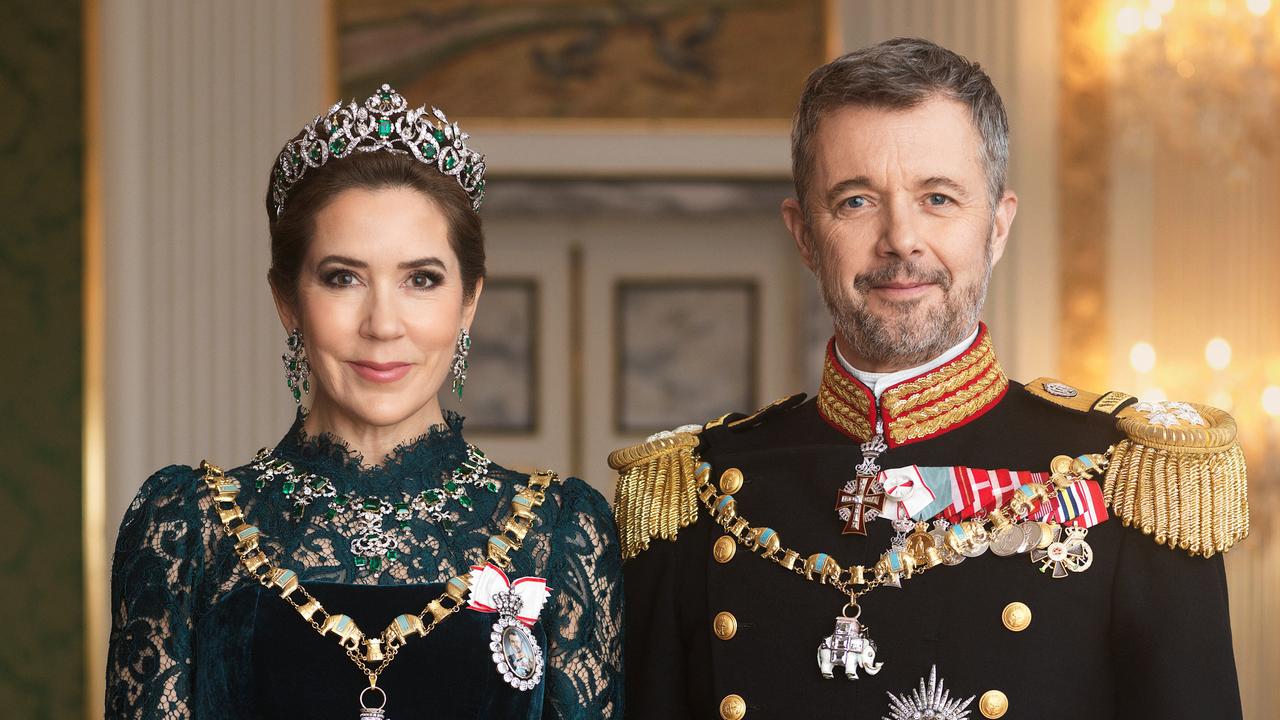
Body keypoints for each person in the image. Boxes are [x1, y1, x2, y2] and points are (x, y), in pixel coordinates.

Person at [613, 38, 1246, 720]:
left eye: (938, 198)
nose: (901, 240)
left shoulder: (1130, 476)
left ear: (997, 228)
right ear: (803, 235)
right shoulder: (696, 486)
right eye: (856, 202)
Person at [106, 85, 623, 719]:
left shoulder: (559, 529)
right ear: (287, 301)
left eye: (421, 280)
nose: (383, 324)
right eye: (343, 278)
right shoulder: (187, 528)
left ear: (469, 303)